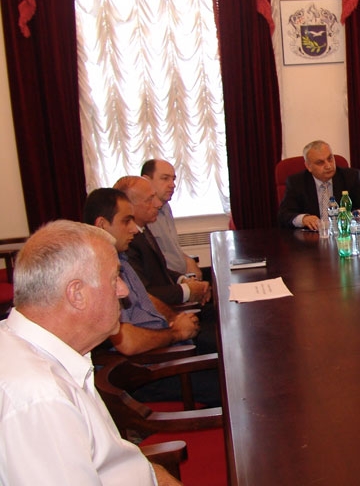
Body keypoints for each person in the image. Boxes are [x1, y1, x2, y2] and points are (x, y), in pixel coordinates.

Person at [0, 221, 181, 485]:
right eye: (114, 278)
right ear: (77, 294)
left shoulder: (46, 351)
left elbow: (112, 463)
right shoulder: (41, 398)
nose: (124, 290)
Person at [84, 188, 200, 356]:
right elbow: (127, 342)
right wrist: (176, 333)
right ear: (102, 225)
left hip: (166, 342)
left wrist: (174, 318)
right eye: (126, 221)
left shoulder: (120, 256)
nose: (134, 229)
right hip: (151, 362)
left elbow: (145, 298)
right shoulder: (96, 271)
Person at [114, 176, 211, 307]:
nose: (158, 204)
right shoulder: (127, 242)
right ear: (130, 206)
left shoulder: (143, 229)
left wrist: (183, 280)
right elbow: (144, 293)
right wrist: (188, 290)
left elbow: (160, 270)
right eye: (149, 200)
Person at [277, 140, 360, 230]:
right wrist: (303, 219)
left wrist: (358, 215)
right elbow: (283, 214)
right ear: (308, 166)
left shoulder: (350, 177)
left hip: (344, 236)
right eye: (320, 163)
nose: (328, 166)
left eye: (330, 158)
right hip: (312, 239)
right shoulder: (296, 182)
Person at [141, 159, 202, 277]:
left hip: (183, 275)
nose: (172, 185)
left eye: (173, 179)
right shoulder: (143, 215)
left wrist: (188, 260)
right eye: (165, 178)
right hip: (169, 280)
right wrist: (183, 281)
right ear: (146, 180)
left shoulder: (166, 207)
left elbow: (171, 250)